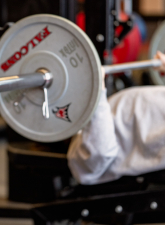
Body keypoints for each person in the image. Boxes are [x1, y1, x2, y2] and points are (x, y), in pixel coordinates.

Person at [67, 51, 165, 185]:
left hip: (100, 143)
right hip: (105, 115)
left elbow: (99, 154)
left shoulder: (90, 157)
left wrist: (98, 91)